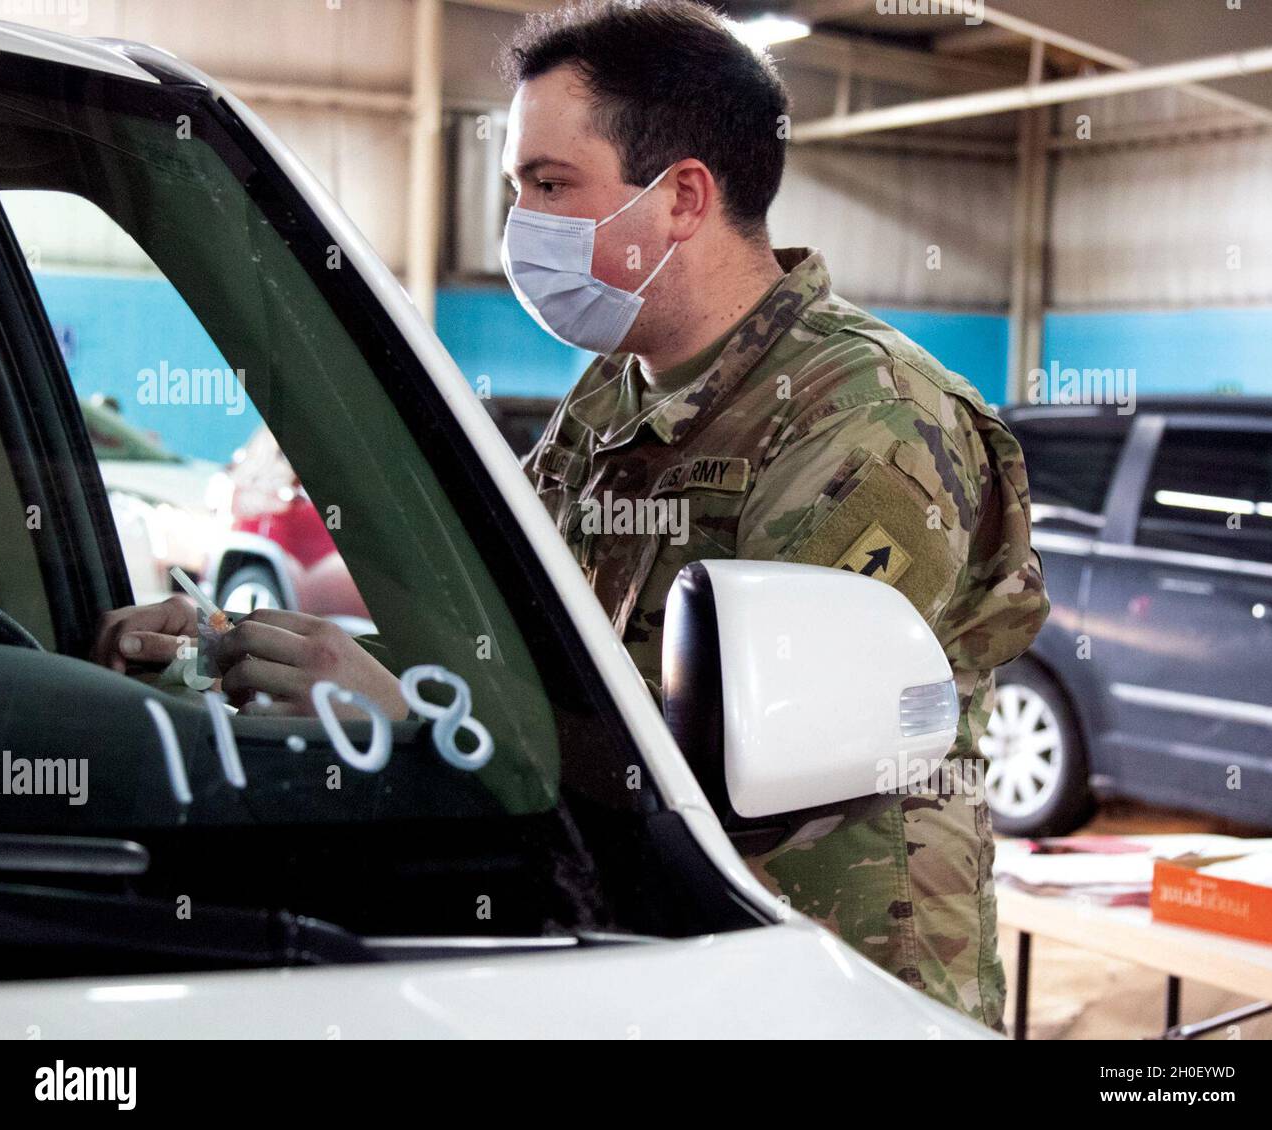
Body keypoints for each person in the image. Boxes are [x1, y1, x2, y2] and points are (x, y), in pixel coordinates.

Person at [93, 0, 1048, 1029]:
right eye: (518, 189)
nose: (520, 227)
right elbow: (521, 643)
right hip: (637, 946)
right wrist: (266, 652)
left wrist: (425, 719)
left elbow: (740, 750)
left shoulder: (870, 418)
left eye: (551, 186)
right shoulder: (612, 394)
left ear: (682, 196)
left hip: (822, 980)